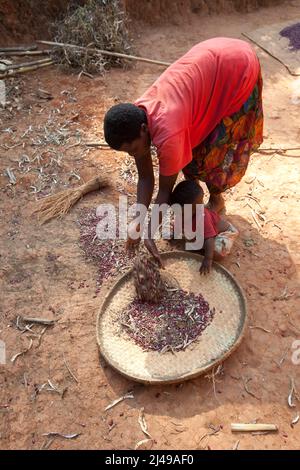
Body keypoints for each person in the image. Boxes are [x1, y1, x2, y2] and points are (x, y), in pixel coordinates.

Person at [103, 37, 263, 265]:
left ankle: (216, 200)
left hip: (236, 68)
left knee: (211, 156)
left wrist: (149, 233)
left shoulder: (168, 133)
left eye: (134, 149)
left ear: (143, 129)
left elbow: (164, 193)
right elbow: (146, 177)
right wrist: (137, 222)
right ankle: (196, 206)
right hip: (212, 59)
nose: (134, 155)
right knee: (189, 155)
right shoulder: (138, 116)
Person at [170, 180, 239, 274]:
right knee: (190, 239)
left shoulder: (202, 217)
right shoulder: (181, 212)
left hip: (223, 233)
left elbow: (209, 239)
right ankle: (202, 245)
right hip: (204, 233)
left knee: (217, 253)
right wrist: (174, 234)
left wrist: (208, 259)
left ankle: (206, 249)